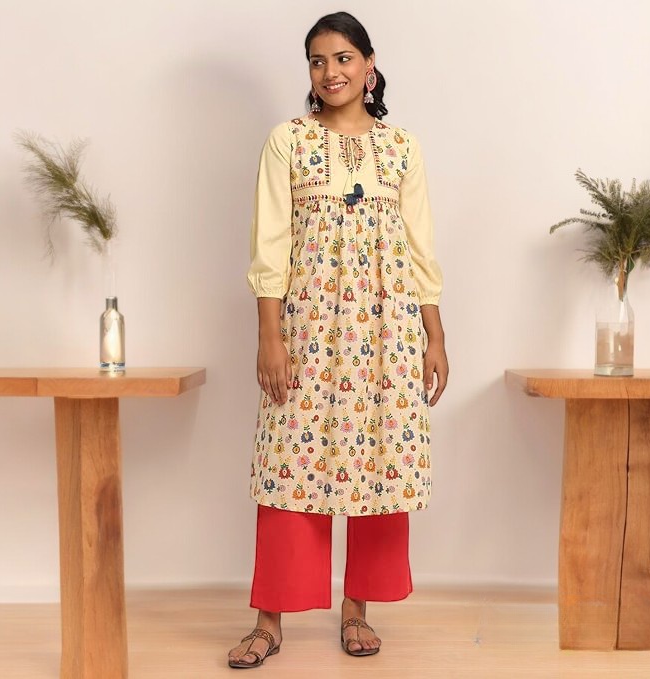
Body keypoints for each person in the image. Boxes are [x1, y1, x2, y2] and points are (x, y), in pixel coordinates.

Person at [228, 11, 448, 669]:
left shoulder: (401, 147)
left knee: (380, 457)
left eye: (344, 58)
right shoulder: (288, 141)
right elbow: (270, 242)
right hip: (307, 327)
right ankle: (268, 620)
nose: (331, 72)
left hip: (386, 330)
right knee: (290, 463)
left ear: (369, 65)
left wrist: (434, 337)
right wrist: (269, 336)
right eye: (318, 60)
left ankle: (357, 610)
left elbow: (420, 248)